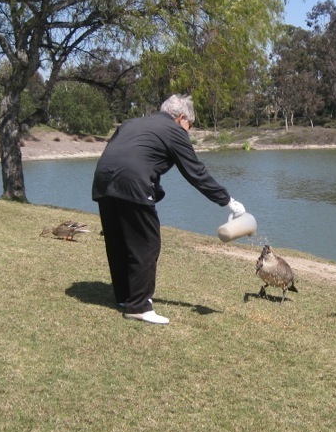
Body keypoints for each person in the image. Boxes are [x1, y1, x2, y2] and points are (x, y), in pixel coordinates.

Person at [92, 94, 246, 325]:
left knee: (119, 241)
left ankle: (126, 297)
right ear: (181, 118)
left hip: (103, 181)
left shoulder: (132, 123)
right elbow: (195, 172)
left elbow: (135, 156)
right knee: (146, 244)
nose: (188, 131)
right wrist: (228, 201)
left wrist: (154, 189)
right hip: (132, 182)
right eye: (190, 126)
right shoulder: (173, 130)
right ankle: (139, 306)